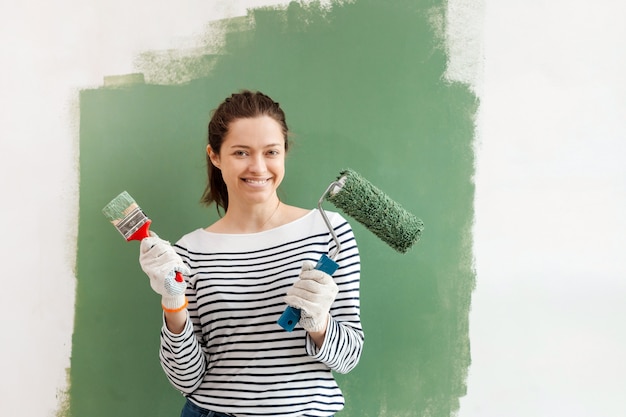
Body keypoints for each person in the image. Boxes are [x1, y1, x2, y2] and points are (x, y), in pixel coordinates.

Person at [138, 90, 364, 417]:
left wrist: (320, 324)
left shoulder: (328, 232)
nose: (258, 167)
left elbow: (349, 357)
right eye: (241, 152)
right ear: (215, 156)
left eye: (271, 151)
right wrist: (174, 303)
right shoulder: (190, 251)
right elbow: (185, 378)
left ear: (284, 152)